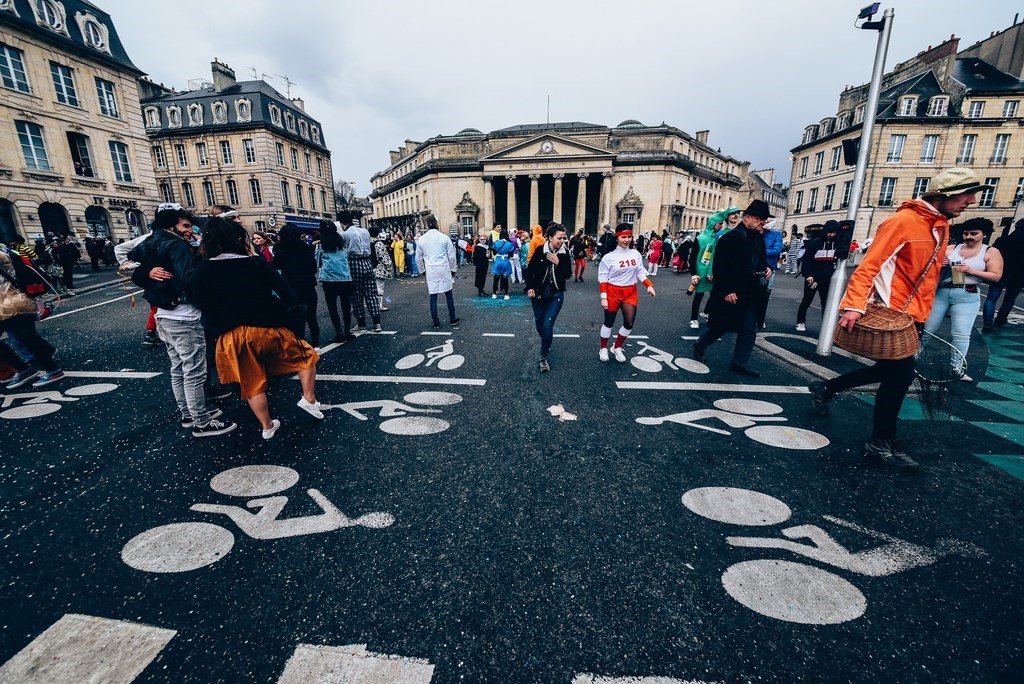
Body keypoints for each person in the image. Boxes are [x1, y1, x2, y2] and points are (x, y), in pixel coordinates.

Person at [809, 167, 986, 471]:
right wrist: (853, 305)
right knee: (900, 375)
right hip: (892, 313)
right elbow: (870, 266)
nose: (970, 201)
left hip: (914, 314)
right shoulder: (902, 222)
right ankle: (880, 441)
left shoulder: (940, 225)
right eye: (965, 195)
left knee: (889, 371)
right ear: (943, 196)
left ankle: (827, 388)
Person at [194, 217, 322, 440]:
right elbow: (286, 293)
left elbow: (198, 301)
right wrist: (291, 316)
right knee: (307, 357)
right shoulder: (255, 262)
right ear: (238, 238)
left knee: (252, 383)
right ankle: (309, 399)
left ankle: (267, 426)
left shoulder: (204, 269)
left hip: (231, 334)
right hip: (266, 328)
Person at [129, 208, 237, 437]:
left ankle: (187, 413)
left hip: (164, 316)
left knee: (178, 369)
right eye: (186, 226)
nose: (189, 231)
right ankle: (201, 421)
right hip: (184, 316)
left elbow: (132, 258)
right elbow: (188, 279)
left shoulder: (152, 241)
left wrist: (146, 272)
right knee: (194, 372)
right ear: (172, 226)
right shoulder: (177, 245)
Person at [692, 200, 774, 378]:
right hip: (732, 291)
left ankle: (739, 363)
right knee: (722, 325)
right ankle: (699, 345)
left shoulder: (758, 238)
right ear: (748, 218)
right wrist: (727, 290)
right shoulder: (730, 238)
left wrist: (768, 268)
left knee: (749, 328)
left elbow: (761, 260)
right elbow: (720, 267)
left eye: (764, 220)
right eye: (760, 219)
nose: (763, 223)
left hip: (752, 292)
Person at [924, 217, 1002, 382]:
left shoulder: (990, 252)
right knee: (927, 328)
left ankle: (956, 368)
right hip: (942, 292)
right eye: (966, 233)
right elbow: (926, 266)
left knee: (961, 333)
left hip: (967, 295)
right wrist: (938, 263)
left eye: (974, 234)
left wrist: (971, 270)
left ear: (984, 235)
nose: (969, 237)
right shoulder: (951, 248)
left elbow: (996, 276)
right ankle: (911, 359)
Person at [0, 249, 64, 389]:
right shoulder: (6, 251)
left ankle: (52, 370)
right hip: (8, 302)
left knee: (27, 338)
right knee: (26, 337)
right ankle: (24, 369)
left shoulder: (3, 253)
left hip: (13, 302)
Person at [598, 224, 656, 362]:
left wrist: (649, 285)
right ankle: (603, 348)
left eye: (629, 237)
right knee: (609, 323)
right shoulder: (608, 257)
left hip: (630, 292)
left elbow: (640, 271)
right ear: (617, 237)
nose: (627, 240)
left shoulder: (635, 254)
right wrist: (604, 297)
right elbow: (603, 278)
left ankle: (616, 347)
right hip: (612, 292)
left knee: (629, 323)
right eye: (623, 237)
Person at [525, 223, 571, 371]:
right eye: (559, 238)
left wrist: (558, 263)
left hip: (556, 295)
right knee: (540, 325)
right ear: (550, 238)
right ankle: (546, 340)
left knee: (547, 325)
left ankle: (543, 357)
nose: (562, 241)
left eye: (564, 238)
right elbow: (529, 271)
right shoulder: (540, 250)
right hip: (538, 295)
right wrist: (530, 287)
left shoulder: (565, 253)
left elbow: (568, 274)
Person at [273, 223, 320, 348]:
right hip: (308, 285)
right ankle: (316, 345)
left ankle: (299, 344)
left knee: (294, 318)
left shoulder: (279, 249)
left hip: (290, 287)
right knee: (311, 317)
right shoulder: (306, 248)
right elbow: (313, 268)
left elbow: (276, 266)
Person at [796, 220, 842, 332]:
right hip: (813, 278)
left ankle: (825, 325)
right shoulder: (815, 243)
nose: (831, 235)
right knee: (806, 300)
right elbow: (806, 260)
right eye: (830, 232)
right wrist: (808, 275)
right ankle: (800, 321)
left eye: (834, 233)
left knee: (826, 303)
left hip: (827, 279)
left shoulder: (836, 245)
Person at [415, 214, 460, 329]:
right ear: (436, 224)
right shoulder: (444, 238)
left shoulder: (422, 240)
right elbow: (451, 256)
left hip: (431, 269)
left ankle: (435, 321)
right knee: (448, 294)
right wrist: (453, 270)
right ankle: (452, 318)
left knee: (433, 296)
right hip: (444, 268)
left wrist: (422, 271)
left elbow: (418, 258)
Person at [340, 211, 382, 333]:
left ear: (343, 223)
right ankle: (377, 323)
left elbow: (344, 251)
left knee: (356, 294)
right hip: (367, 262)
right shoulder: (365, 231)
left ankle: (361, 323)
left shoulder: (345, 234)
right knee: (371, 293)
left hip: (354, 262)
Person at [982, 217, 1024, 332]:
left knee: (992, 298)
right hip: (1019, 275)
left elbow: (992, 254)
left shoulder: (1003, 240)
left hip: (1000, 272)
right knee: (1010, 299)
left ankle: (987, 322)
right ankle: (1000, 320)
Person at [316, 219, 354, 343]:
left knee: (332, 307)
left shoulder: (320, 246)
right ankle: (348, 331)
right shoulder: (342, 245)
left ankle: (339, 332)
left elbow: (318, 262)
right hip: (344, 278)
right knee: (346, 307)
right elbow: (347, 258)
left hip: (328, 279)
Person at [689, 211, 726, 329]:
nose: (721, 226)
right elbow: (693, 257)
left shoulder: (718, 238)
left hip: (713, 271)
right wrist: (694, 273)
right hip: (701, 272)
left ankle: (707, 313)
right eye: (720, 224)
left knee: (714, 295)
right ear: (713, 224)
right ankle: (694, 319)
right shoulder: (700, 238)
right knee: (698, 295)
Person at [757, 220, 785, 330]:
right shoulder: (755, 232)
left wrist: (759, 250)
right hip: (754, 267)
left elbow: (776, 251)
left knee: (765, 295)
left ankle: (760, 320)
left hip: (769, 268)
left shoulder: (776, 235)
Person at [371, 226, 393, 312]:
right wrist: (388, 266)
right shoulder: (379, 243)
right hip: (379, 267)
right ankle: (379, 305)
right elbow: (384, 256)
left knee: (372, 287)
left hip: (369, 267)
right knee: (379, 286)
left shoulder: (367, 242)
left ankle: (372, 303)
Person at [490, 229, 515, 299]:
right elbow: (511, 255)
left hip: (498, 261)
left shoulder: (496, 243)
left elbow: (494, 253)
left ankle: (494, 294)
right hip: (506, 261)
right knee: (505, 279)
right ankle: (506, 294)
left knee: (496, 279)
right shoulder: (509, 244)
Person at [472, 232, 490, 296]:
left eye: (484, 239)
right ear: (479, 240)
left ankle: (482, 290)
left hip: (485, 263)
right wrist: (484, 256)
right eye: (481, 239)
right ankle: (480, 291)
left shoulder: (487, 247)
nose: (483, 240)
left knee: (483, 277)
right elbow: (475, 257)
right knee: (480, 277)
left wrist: (488, 256)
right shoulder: (478, 247)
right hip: (480, 264)